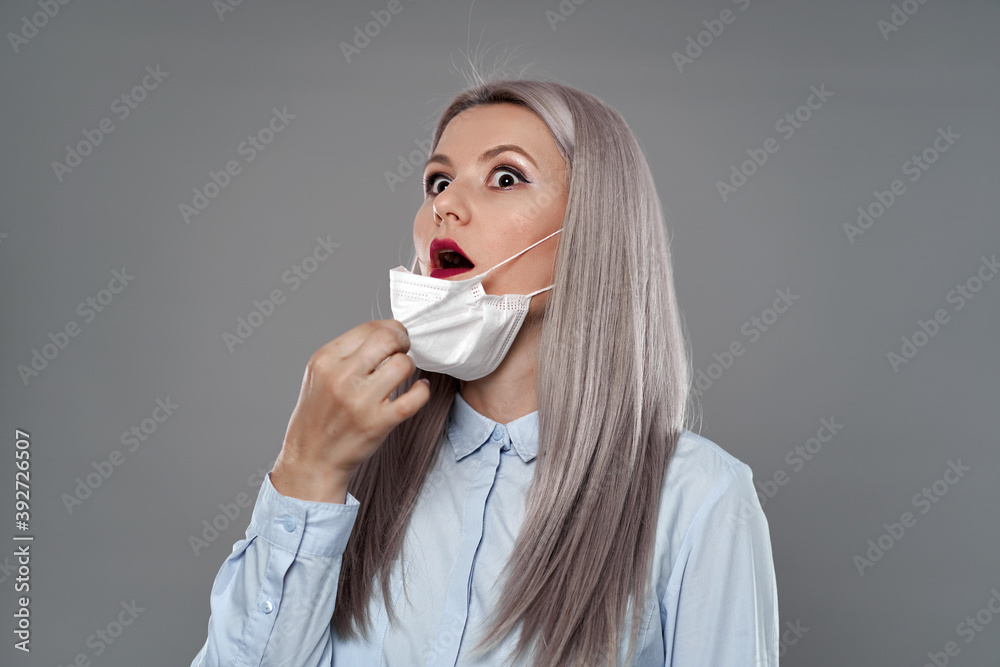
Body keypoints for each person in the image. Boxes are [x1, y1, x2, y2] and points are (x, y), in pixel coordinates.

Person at [190, 75, 779, 666]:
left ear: (593, 227)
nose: (444, 204)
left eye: (505, 177)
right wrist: (306, 474)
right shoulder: (352, 471)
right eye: (437, 181)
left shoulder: (700, 497)